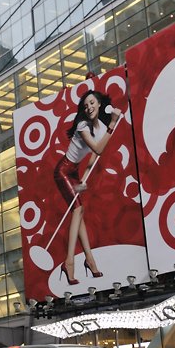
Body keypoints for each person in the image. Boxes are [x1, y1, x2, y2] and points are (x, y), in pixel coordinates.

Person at [53, 90, 121, 284]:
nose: (89, 107)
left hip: (74, 172)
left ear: (99, 104)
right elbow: (98, 148)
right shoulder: (83, 126)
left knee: (79, 213)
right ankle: (69, 262)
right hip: (63, 171)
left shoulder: (99, 129)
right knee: (78, 209)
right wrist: (113, 125)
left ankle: (89, 260)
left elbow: (94, 155)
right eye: (86, 105)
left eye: (92, 103)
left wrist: (83, 178)